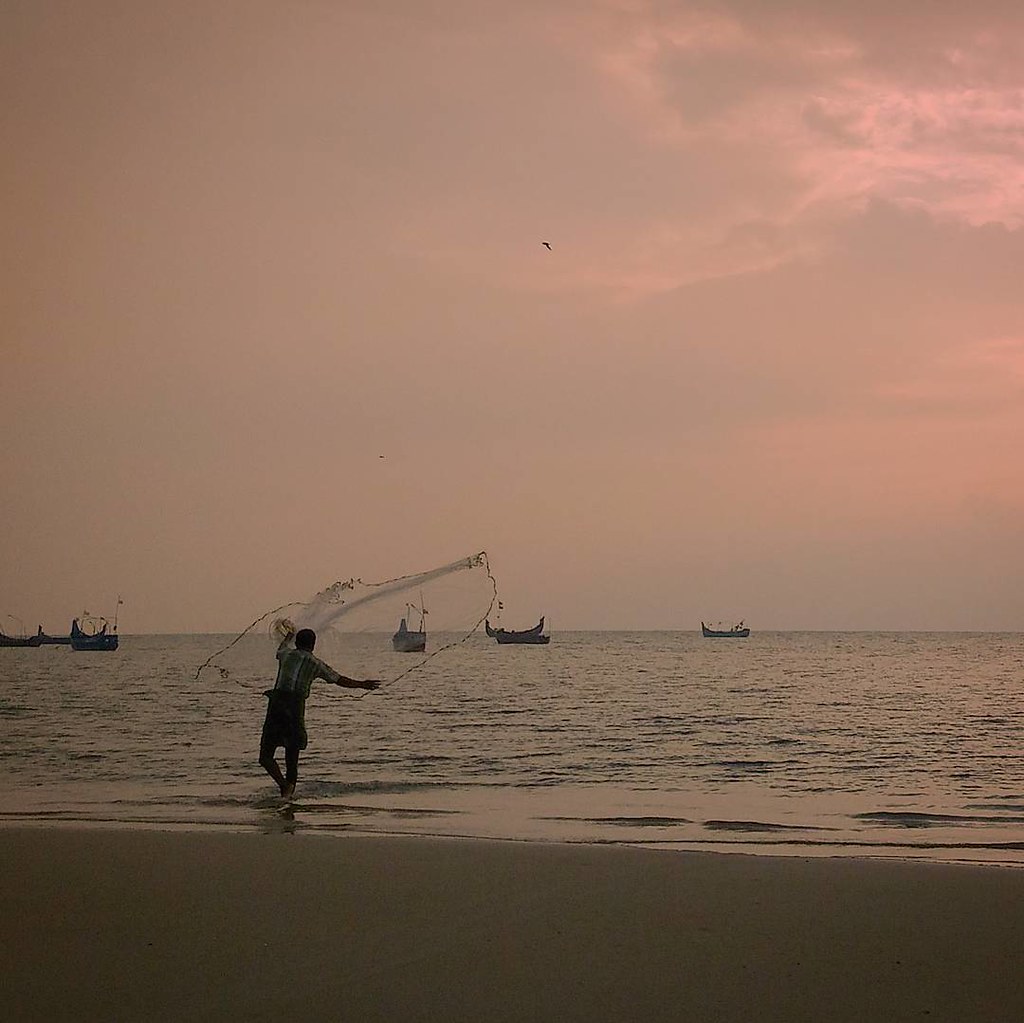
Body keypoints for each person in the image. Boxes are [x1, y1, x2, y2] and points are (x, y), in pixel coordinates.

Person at [259, 623, 380, 798]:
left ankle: (284, 787)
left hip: (276, 705)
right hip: (295, 707)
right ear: (313, 645)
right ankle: (287, 793)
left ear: (297, 642)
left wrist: (288, 636)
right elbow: (339, 679)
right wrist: (362, 684)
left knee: (265, 756)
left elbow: (282, 647)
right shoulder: (316, 663)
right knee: (292, 755)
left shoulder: (286, 654)